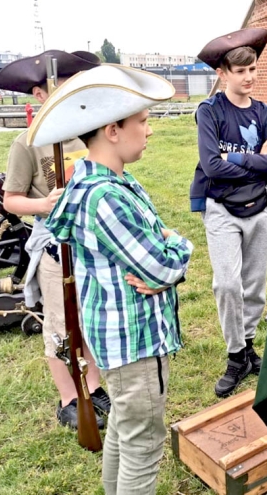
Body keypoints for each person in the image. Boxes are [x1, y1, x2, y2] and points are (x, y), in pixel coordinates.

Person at [37, 64, 193, 494]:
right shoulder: (105, 197)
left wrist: (164, 250)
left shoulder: (108, 180)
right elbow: (161, 264)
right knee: (143, 443)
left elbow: (157, 252)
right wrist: (180, 248)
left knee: (126, 432)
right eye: (141, 122)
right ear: (111, 130)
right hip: (134, 342)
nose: (149, 130)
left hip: (122, 339)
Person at [0, 50, 110, 429]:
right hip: (53, 247)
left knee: (90, 318)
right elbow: (10, 201)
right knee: (62, 326)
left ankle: (93, 385)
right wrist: (43, 204)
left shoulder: (87, 131)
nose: (66, 91)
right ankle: (69, 394)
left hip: (91, 243)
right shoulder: (26, 143)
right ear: (40, 94)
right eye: (57, 85)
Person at [190, 28, 267, 397]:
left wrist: (241, 159)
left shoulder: (264, 112)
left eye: (253, 70)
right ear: (223, 73)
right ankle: (235, 355)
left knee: (254, 285)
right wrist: (255, 160)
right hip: (221, 209)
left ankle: (248, 347)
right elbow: (212, 166)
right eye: (240, 70)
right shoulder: (210, 112)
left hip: (259, 206)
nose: (248, 77)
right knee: (227, 283)